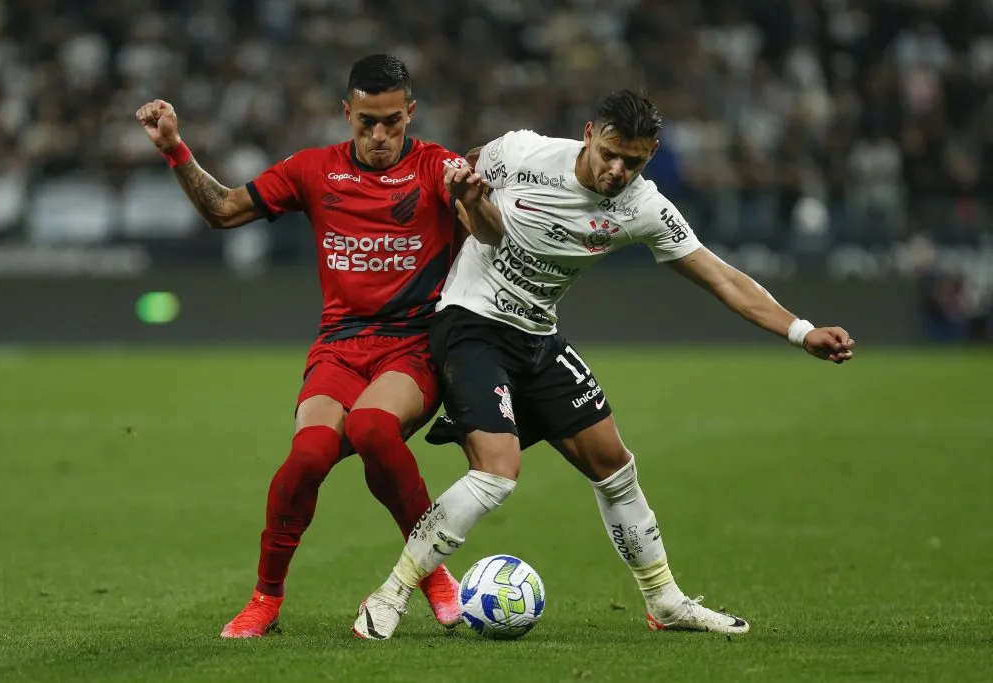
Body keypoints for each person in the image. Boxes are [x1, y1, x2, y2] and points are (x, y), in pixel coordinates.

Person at [352, 89, 856, 640]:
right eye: (610, 153)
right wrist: (456, 188)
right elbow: (459, 168)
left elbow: (721, 276)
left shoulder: (644, 207)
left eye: (634, 161)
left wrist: (801, 331)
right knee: (497, 473)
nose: (617, 170)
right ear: (589, 133)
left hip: (537, 335)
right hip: (470, 322)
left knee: (615, 467)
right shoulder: (521, 153)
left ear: (652, 153)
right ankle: (391, 594)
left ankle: (664, 601)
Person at [136, 54, 479, 638]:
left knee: (373, 428)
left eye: (391, 121)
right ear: (346, 113)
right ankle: (266, 599)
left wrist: (476, 200)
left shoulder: (437, 168)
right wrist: (175, 148)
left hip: (411, 348)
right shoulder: (314, 170)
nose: (378, 135)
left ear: (410, 113)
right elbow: (222, 209)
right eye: (366, 121)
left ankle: (432, 574)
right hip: (339, 349)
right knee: (308, 457)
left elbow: (490, 236)